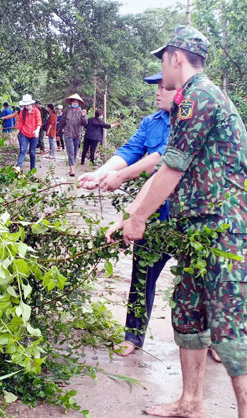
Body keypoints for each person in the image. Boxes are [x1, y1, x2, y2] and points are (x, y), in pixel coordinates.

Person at [105, 27, 247, 418]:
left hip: (227, 231)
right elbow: (165, 162)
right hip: (197, 230)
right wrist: (131, 217)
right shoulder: (184, 103)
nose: (162, 68)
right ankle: (191, 402)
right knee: (188, 314)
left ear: (176, 57)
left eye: (163, 59)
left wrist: (138, 218)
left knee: (228, 332)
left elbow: (172, 168)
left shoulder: (199, 96)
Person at [79, 72, 173, 356]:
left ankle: (211, 338)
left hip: (188, 218)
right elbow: (130, 151)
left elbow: (160, 162)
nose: (157, 92)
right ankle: (133, 336)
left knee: (200, 283)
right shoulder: (151, 123)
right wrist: (100, 173)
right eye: (155, 87)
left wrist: (120, 177)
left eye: (163, 86)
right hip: (153, 216)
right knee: (142, 276)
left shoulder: (190, 124)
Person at [57, 94, 87, 176]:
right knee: (70, 151)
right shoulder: (67, 111)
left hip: (77, 135)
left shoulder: (81, 112)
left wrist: (84, 116)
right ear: (71, 102)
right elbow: (62, 122)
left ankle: (71, 167)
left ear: (79, 103)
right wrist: (58, 133)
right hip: (68, 134)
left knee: (74, 151)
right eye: (73, 101)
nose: (75, 103)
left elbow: (85, 124)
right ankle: (72, 169)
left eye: (76, 102)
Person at [15, 94, 42, 172]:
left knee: (32, 153)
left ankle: (32, 170)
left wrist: (37, 130)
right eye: (25, 105)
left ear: (31, 103)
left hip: (34, 135)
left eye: (27, 104)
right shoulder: (22, 112)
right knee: (23, 150)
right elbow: (20, 124)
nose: (26, 106)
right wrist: (15, 135)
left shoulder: (36, 111)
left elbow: (39, 122)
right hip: (24, 134)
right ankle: (18, 166)